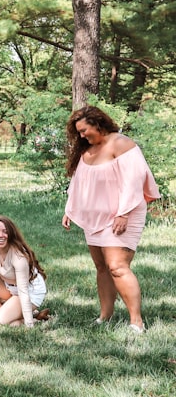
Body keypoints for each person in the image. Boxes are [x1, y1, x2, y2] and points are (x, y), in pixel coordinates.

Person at [62, 106, 160, 333]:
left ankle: (136, 322)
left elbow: (134, 180)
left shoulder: (120, 143)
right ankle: (105, 316)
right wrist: (70, 209)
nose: (82, 136)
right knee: (101, 267)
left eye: (84, 130)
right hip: (94, 217)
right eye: (78, 132)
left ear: (98, 123)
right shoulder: (87, 151)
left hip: (123, 214)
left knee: (117, 266)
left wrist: (123, 213)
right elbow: (78, 183)